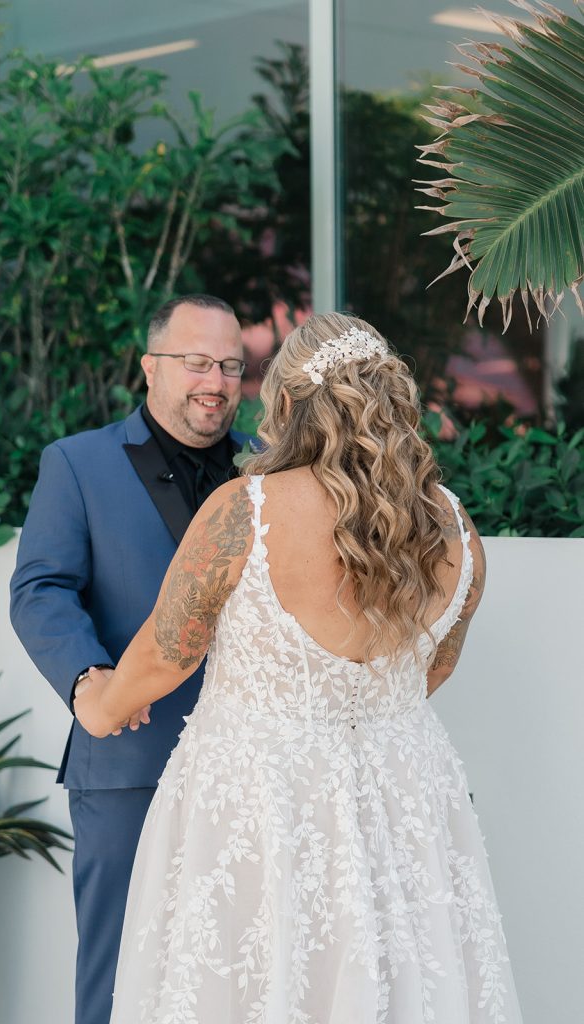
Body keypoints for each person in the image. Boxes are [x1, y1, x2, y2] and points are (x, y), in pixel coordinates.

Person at [74, 312, 524, 1023]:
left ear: (286, 404)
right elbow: (431, 670)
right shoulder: (454, 528)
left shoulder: (243, 512)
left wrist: (98, 705)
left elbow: (166, 651)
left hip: (261, 800)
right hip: (403, 798)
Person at [9, 294, 250, 1024]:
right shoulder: (75, 464)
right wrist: (89, 678)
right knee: (117, 972)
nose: (216, 380)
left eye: (232, 366)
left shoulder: (276, 474)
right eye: (197, 362)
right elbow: (40, 588)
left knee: (242, 968)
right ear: (150, 367)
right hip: (126, 759)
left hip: (256, 764)